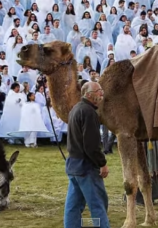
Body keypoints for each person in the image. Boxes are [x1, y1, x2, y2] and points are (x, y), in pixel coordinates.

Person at [64, 81, 110, 228]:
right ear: (89, 95)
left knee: (73, 207)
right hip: (86, 167)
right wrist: (102, 163)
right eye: (98, 91)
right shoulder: (89, 112)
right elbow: (91, 146)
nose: (101, 93)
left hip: (73, 165)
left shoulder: (76, 109)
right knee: (98, 205)